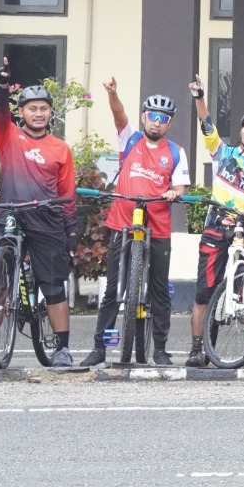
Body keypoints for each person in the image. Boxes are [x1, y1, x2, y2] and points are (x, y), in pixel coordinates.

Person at [0, 60, 77, 368]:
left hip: (47, 219)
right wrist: (1, 87)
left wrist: (71, 231)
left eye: (43, 108)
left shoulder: (60, 149)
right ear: (21, 112)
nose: (38, 113)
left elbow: (67, 194)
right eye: (32, 108)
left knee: (53, 287)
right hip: (10, 214)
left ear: (51, 113)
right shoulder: (8, 136)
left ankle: (62, 350)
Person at [80, 81, 189, 367]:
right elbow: (118, 114)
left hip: (159, 227)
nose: (157, 122)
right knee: (113, 290)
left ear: (169, 123)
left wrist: (174, 192)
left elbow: (180, 187)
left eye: (163, 118)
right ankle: (100, 349)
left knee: (159, 290)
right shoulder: (129, 140)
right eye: (152, 116)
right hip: (122, 223)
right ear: (143, 117)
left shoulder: (176, 151)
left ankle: (160, 350)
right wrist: (112, 93)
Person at [185, 75, 244, 369]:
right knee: (204, 292)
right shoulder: (223, 153)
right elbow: (207, 126)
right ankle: (197, 350)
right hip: (215, 227)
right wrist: (199, 97)